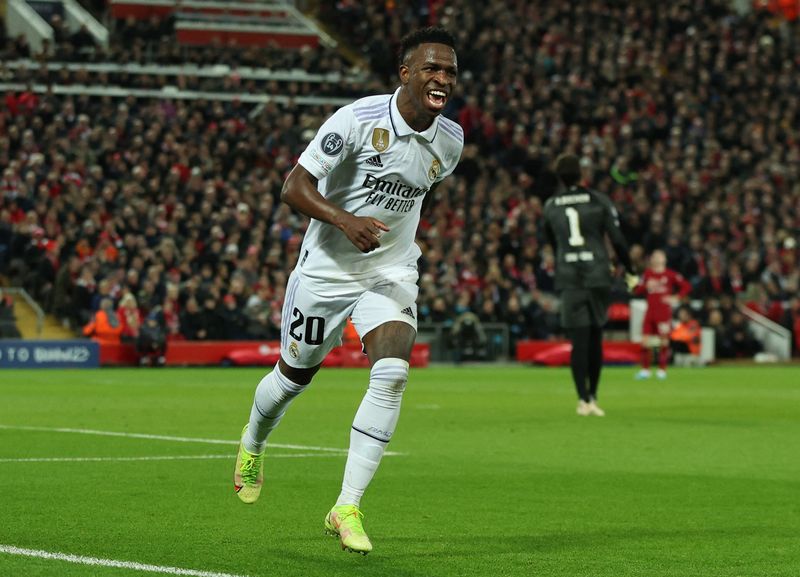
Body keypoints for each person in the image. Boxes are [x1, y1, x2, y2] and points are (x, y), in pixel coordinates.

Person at [233, 27, 462, 555]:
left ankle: (347, 505)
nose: (442, 79)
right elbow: (294, 185)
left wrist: (385, 237)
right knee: (292, 380)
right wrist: (344, 219)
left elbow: (411, 196)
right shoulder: (357, 120)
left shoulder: (451, 140)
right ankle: (252, 441)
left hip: (391, 272)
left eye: (449, 71)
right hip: (326, 273)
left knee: (393, 372)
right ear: (405, 73)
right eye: (431, 68)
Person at [542, 154, 636, 417]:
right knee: (596, 337)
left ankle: (582, 399)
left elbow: (551, 241)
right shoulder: (598, 200)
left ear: (560, 178)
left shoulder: (551, 205)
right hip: (597, 275)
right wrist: (630, 269)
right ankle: (593, 396)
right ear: (582, 175)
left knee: (579, 341)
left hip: (570, 277)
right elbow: (616, 238)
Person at [633, 249, 691, 379]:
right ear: (651, 259)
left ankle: (662, 370)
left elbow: (686, 286)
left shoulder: (670, 274)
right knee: (645, 342)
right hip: (650, 312)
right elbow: (637, 290)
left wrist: (676, 297)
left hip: (663, 313)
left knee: (664, 342)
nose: (657, 258)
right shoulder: (647, 274)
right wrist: (645, 286)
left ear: (664, 259)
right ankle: (645, 370)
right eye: (654, 256)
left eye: (659, 256)